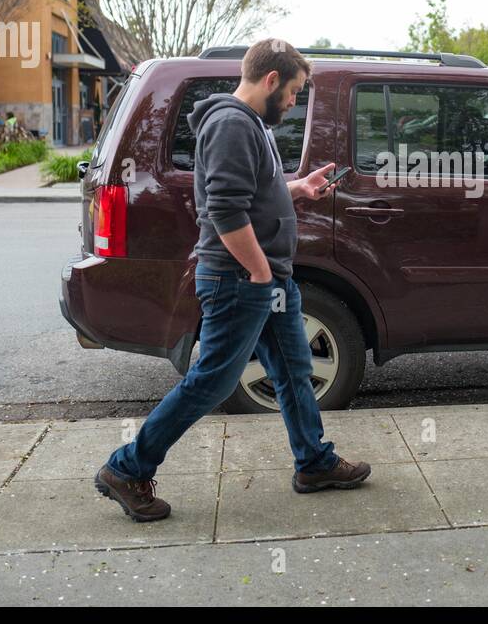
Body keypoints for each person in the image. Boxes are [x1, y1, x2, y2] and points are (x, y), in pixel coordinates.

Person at [95, 38, 370, 522]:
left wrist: (296, 188)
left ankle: (314, 463)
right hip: (240, 280)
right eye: (293, 91)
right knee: (213, 381)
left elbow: (254, 190)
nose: (293, 101)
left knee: (292, 370)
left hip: (268, 280)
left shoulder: (250, 125)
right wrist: (260, 271)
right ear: (270, 80)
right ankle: (127, 467)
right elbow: (222, 208)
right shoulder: (229, 125)